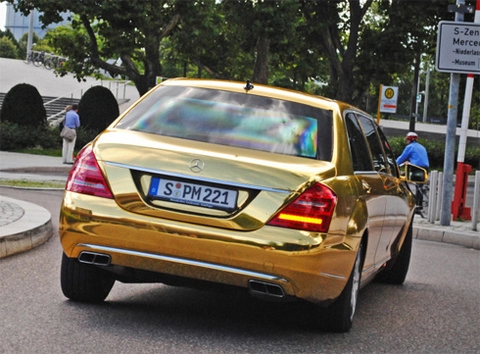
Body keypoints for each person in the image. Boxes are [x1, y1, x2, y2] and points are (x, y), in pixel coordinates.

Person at [396, 131, 429, 213]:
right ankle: (419, 205)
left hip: (416, 168)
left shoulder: (410, 147)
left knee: (401, 178)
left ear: (409, 139)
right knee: (420, 186)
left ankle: (409, 198)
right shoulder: (422, 147)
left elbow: (402, 158)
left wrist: (394, 164)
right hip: (425, 169)